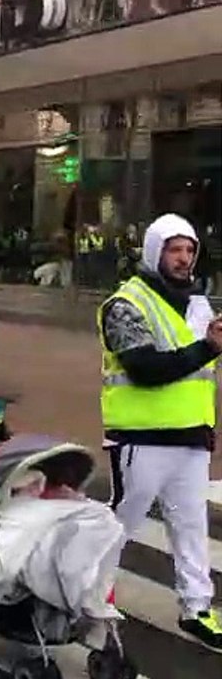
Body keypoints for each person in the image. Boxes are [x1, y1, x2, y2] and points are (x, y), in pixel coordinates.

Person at [99, 213, 222, 649]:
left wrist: (207, 425)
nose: (184, 258)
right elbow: (146, 368)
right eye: (175, 249)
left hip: (191, 439)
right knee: (118, 527)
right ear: (155, 253)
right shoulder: (125, 304)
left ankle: (197, 608)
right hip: (140, 440)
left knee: (191, 528)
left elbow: (204, 375)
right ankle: (88, 598)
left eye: (190, 250)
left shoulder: (201, 305)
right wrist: (206, 346)